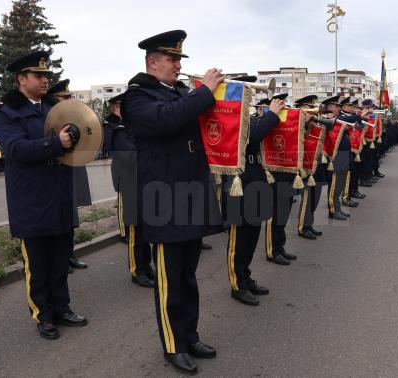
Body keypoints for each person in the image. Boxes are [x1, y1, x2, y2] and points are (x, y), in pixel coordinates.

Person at [121, 30, 223, 374]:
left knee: (189, 276)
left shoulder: (181, 92)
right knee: (169, 278)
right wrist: (205, 92)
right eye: (172, 59)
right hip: (164, 197)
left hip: (192, 191)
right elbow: (167, 120)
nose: (178, 66)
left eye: (179, 60)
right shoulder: (137, 97)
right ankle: (172, 344)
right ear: (153, 62)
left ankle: (190, 334)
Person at [0, 51, 87, 340]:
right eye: (39, 75)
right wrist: (55, 143)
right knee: (37, 263)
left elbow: (76, 137)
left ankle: (62, 307)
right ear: (21, 79)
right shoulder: (6, 111)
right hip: (31, 197)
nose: (45, 80)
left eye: (47, 75)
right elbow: (16, 149)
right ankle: (43, 314)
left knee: (60, 259)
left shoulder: (54, 107)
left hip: (59, 193)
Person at [221, 76, 283, 305]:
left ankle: (246, 277)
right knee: (239, 239)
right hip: (239, 184)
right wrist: (272, 114)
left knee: (252, 235)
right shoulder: (229, 115)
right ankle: (237, 284)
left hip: (255, 179)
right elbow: (253, 135)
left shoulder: (245, 114)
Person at [104, 92, 155, 287]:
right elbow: (130, 157)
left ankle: (147, 265)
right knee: (135, 231)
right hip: (131, 184)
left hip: (145, 183)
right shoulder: (119, 130)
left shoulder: (137, 128)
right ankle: (137, 270)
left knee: (145, 229)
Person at [46, 79, 90, 273]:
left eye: (69, 96)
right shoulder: (50, 118)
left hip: (72, 165)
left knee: (71, 214)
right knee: (57, 216)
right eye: (64, 97)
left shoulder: (71, 117)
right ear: (55, 99)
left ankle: (69, 254)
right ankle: (60, 258)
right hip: (55, 170)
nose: (68, 100)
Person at [262, 94, 299, 265]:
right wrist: (272, 114)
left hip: (288, 171)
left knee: (284, 212)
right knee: (275, 213)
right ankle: (272, 250)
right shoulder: (264, 118)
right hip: (274, 172)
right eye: (279, 103)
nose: (283, 106)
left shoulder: (289, 119)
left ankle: (280, 247)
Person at [294, 95, 326, 240]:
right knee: (307, 198)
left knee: (315, 197)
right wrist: (303, 123)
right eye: (308, 108)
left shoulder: (315, 123)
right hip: (303, 166)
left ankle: (309, 224)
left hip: (315, 164)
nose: (312, 111)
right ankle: (303, 227)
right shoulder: (294, 122)